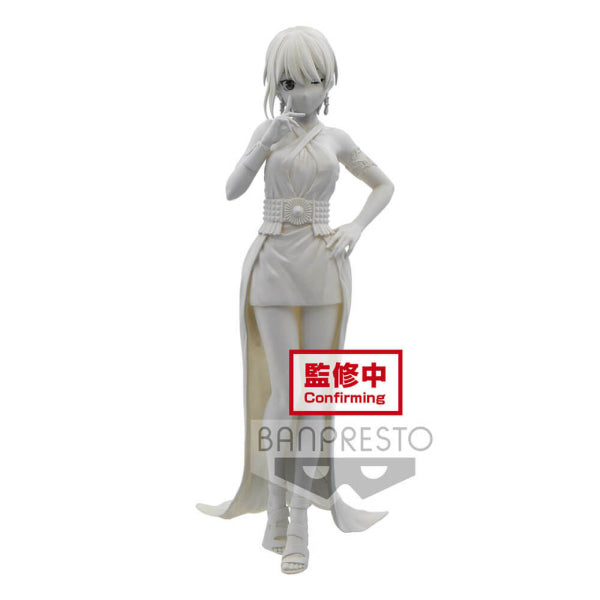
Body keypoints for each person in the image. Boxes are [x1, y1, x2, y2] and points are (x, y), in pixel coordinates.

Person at [196, 25, 395, 574]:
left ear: (328, 84)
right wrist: (264, 142)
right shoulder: (268, 132)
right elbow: (231, 190)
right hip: (274, 267)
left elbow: (384, 185)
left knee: (314, 396)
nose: (302, 93)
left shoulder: (338, 139)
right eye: (289, 82)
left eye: (313, 81)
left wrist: (356, 225)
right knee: (285, 393)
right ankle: (276, 512)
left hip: (325, 267)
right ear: (274, 85)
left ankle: (298, 519)